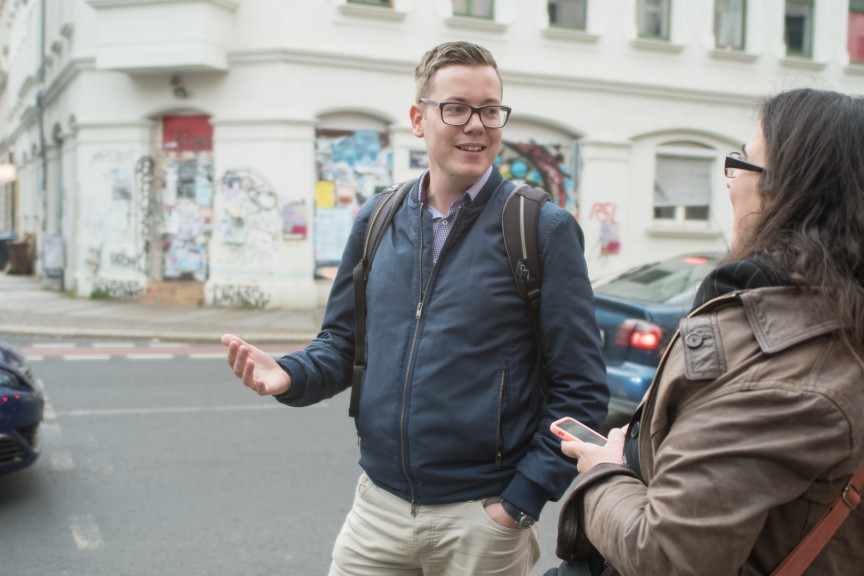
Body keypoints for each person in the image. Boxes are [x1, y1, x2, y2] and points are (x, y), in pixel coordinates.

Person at [222, 41, 609, 576]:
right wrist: (287, 375)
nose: (476, 124)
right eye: (456, 108)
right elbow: (342, 346)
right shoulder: (377, 218)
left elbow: (581, 391)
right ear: (419, 119)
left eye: (490, 109)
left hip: (481, 522)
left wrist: (518, 504)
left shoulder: (541, 229)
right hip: (377, 510)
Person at [557, 87, 864, 575]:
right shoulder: (790, 312)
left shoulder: (790, 379)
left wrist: (603, 475)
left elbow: (665, 557)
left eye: (742, 162)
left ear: (789, 191)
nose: (730, 180)